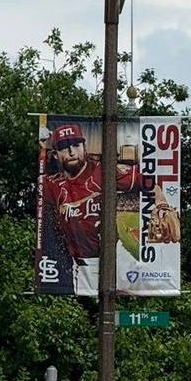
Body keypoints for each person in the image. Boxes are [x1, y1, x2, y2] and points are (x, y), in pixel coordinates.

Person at [40, 122, 141, 292]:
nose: (72, 152)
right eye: (64, 147)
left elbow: (148, 181)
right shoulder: (53, 186)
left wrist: (161, 204)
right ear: (56, 155)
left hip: (117, 254)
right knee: (93, 312)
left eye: (76, 145)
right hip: (84, 266)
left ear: (84, 147)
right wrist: (41, 147)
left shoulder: (103, 171)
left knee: (144, 290)